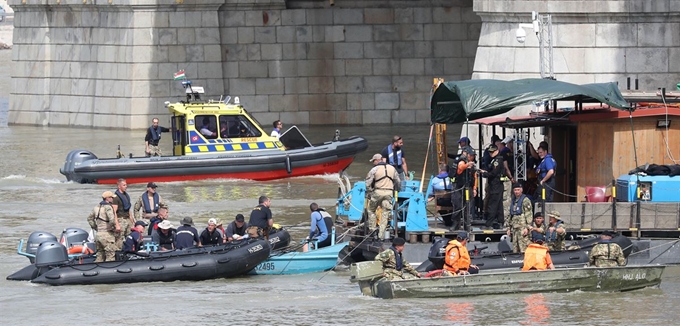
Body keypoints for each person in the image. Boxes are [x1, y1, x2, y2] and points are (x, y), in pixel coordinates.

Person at [366, 153, 401, 238]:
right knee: (385, 213)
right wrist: (397, 190)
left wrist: (370, 192)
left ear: (378, 160)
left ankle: (372, 230)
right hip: (389, 193)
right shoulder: (392, 168)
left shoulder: (374, 169)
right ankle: (381, 235)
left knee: (371, 210)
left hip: (378, 192)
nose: (373, 163)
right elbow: (398, 182)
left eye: (374, 161)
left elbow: (367, 183)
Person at [449, 149, 478, 231]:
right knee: (457, 206)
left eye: (473, 155)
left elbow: (475, 177)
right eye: (471, 155)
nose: (472, 157)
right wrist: (467, 165)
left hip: (469, 187)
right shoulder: (462, 161)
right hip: (459, 187)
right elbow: (459, 169)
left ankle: (467, 225)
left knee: (468, 207)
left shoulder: (473, 165)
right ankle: (455, 224)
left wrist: (475, 189)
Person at [90, 191, 120, 262]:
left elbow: (89, 218)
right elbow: (112, 219)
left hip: (99, 234)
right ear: (107, 198)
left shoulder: (96, 207)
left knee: (100, 255)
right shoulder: (108, 207)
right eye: (111, 197)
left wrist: (96, 227)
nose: (113, 199)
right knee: (110, 255)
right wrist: (113, 228)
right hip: (107, 234)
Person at [479, 145, 504, 229]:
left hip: (495, 184)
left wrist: (485, 173)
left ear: (497, 151)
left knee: (492, 204)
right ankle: (500, 221)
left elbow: (494, 173)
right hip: (496, 184)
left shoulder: (497, 160)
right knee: (499, 204)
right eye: (490, 152)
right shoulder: (494, 159)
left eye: (492, 152)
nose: (490, 153)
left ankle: (489, 224)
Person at [506, 183, 533, 253]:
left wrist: (527, 227)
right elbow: (510, 215)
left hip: (522, 228)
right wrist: (508, 227)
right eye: (515, 190)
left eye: (518, 190)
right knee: (515, 248)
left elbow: (529, 214)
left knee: (523, 248)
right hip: (515, 229)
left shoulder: (525, 200)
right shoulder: (513, 200)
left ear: (521, 190)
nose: (516, 192)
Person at [427, 163, 454, 228]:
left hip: (441, 201)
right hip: (452, 201)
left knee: (439, 204)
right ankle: (450, 220)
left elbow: (430, 193)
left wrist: (431, 197)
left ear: (440, 170)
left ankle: (447, 220)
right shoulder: (452, 179)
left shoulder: (434, 180)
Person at [112, 178, 134, 249]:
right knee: (119, 239)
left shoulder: (126, 196)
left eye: (126, 185)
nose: (126, 186)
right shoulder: (115, 197)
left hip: (127, 219)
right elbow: (114, 211)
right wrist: (117, 224)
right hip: (120, 219)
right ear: (119, 186)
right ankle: (118, 253)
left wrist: (132, 221)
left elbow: (128, 210)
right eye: (124, 185)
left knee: (130, 237)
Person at [499, 136, 515, 221]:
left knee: (509, 199)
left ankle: (507, 218)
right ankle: (505, 219)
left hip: (509, 178)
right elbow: (506, 167)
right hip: (507, 179)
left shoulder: (509, 152)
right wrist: (511, 177)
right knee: (506, 200)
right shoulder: (505, 153)